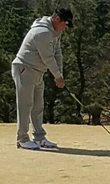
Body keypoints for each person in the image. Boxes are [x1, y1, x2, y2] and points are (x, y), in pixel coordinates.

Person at [11, 9, 72, 150]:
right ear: (57, 19)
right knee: (25, 105)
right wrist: (57, 76)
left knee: (38, 106)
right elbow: (48, 58)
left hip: (38, 71)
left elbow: (57, 53)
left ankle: (39, 137)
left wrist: (60, 74)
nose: (64, 28)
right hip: (25, 68)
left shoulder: (55, 32)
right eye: (64, 24)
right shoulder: (42, 32)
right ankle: (22, 139)